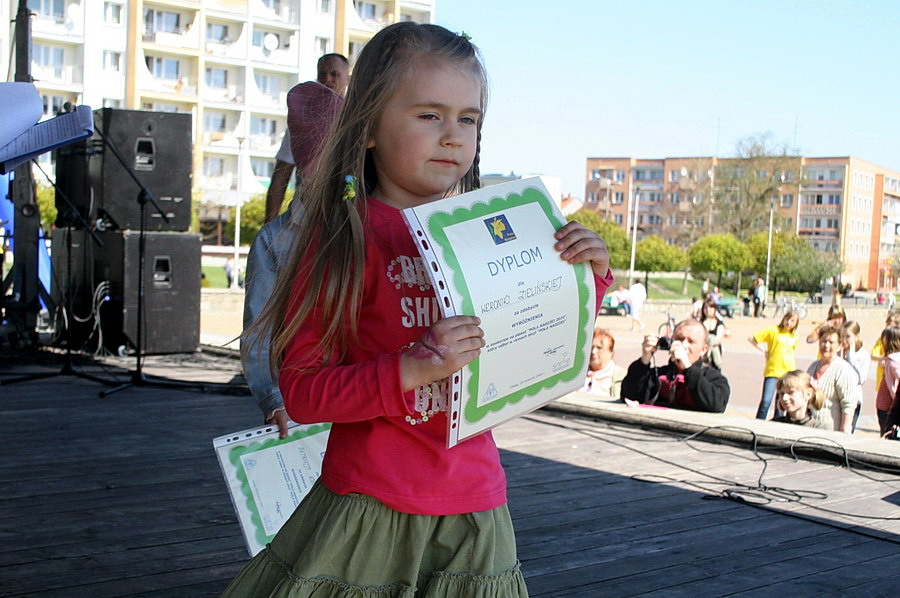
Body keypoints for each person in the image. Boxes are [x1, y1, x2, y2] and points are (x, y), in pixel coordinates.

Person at [224, 23, 613, 596]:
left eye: (469, 118)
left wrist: (588, 275)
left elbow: (534, 333)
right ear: (370, 128)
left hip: (477, 507)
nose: (453, 136)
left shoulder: (488, 239)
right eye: (429, 115)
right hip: (367, 511)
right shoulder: (340, 243)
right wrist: (411, 369)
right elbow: (302, 391)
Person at [241, 82, 344, 439]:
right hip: (303, 404)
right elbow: (259, 332)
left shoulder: (368, 223)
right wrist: (273, 399)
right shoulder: (273, 242)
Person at [264, 53, 350, 223]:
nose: (328, 79)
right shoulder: (301, 122)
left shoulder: (358, 121)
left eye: (334, 74)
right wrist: (268, 226)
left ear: (348, 78)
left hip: (346, 218)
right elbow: (281, 177)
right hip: (305, 218)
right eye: (322, 74)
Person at [620, 319, 730, 413]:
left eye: (691, 341)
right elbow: (629, 395)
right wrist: (644, 361)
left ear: (704, 350)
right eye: (679, 339)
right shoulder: (658, 374)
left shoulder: (713, 378)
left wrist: (688, 368)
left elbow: (717, 405)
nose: (684, 345)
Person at [749, 311, 800, 420]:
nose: (789, 323)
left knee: (781, 404)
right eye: (787, 319)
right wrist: (764, 350)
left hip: (787, 372)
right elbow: (753, 338)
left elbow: (792, 350)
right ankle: (759, 422)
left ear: (796, 324)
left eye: (792, 321)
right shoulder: (773, 330)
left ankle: (778, 423)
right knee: (766, 400)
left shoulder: (795, 336)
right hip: (773, 371)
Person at [806, 324, 856, 433]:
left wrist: (844, 432)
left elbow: (848, 405)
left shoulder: (843, 370)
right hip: (809, 428)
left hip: (830, 431)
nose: (826, 345)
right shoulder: (812, 367)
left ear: (839, 345)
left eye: (831, 342)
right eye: (823, 341)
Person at [582, 328, 627, 401]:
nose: (593, 351)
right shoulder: (577, 374)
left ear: (611, 352)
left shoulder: (621, 377)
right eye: (591, 347)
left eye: (599, 348)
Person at [840, 320, 868, 432]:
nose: (844, 340)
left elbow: (861, 379)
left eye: (848, 336)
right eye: (842, 336)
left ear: (856, 336)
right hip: (838, 397)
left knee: (847, 430)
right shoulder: (838, 351)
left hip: (854, 398)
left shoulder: (863, 354)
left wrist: (851, 357)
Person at [875, 325, 900, 436]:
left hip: (887, 406)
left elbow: (893, 387)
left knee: (887, 435)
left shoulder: (891, 360)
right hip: (888, 405)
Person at [698, 297, 726, 370]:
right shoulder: (700, 323)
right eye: (706, 307)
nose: (708, 310)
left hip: (714, 355)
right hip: (702, 354)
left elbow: (718, 339)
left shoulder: (719, 323)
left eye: (710, 307)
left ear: (714, 309)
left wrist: (709, 339)